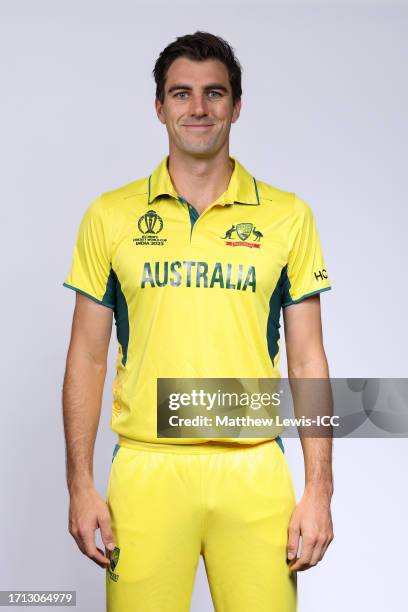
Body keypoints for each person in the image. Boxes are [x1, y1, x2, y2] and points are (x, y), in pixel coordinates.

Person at [62, 31, 334, 612]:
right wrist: (80, 485)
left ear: (236, 106)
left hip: (254, 471)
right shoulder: (110, 216)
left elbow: (309, 358)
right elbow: (86, 357)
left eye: (214, 93)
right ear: (159, 107)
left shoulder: (288, 216)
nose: (198, 108)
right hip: (146, 471)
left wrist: (319, 490)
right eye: (181, 94)